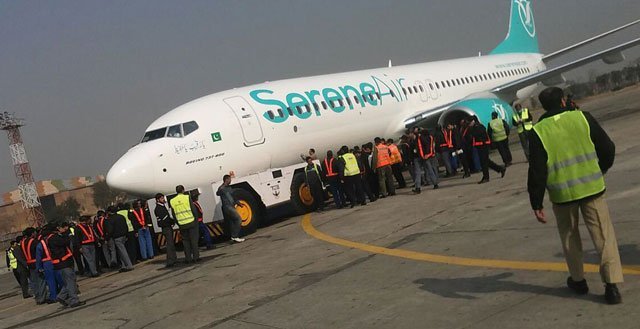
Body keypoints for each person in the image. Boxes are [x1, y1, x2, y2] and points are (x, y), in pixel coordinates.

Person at [528, 87, 623, 305]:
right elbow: (607, 147)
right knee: (603, 236)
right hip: (591, 188)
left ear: (543, 106)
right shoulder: (583, 118)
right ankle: (611, 286)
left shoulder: (539, 131)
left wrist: (536, 202)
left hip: (562, 194)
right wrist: (601, 168)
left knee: (570, 236)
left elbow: (537, 170)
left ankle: (579, 281)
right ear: (563, 101)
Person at [48, 222, 85, 308]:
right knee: (70, 282)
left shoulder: (54, 237)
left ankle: (61, 296)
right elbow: (65, 242)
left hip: (64, 262)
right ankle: (74, 300)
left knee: (69, 281)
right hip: (63, 263)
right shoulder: (54, 238)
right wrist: (66, 234)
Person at [467, 116, 506, 184]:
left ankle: (486, 177)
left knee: (483, 162)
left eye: (469, 122)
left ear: (473, 121)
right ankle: (500, 169)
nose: (469, 124)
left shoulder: (478, 127)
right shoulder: (475, 127)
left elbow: (476, 135)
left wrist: (471, 131)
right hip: (479, 146)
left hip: (483, 146)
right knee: (487, 161)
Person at [170, 185, 201, 263]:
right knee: (194, 240)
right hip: (191, 222)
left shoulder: (172, 201)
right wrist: (196, 219)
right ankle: (196, 257)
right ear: (183, 190)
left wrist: (178, 223)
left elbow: (173, 214)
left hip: (182, 224)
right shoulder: (187, 197)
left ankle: (188, 258)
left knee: (185, 242)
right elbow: (193, 209)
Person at [36, 224, 62, 304]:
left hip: (46, 264)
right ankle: (64, 294)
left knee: (51, 281)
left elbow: (38, 257)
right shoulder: (53, 239)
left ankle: (53, 297)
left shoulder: (40, 244)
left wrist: (39, 268)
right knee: (60, 279)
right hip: (55, 261)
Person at [22, 227, 47, 304]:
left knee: (34, 282)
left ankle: (37, 298)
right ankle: (42, 298)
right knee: (41, 281)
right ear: (32, 233)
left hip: (29, 264)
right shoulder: (34, 242)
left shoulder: (22, 243)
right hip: (36, 263)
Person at [216, 177, 246, 243]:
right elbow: (217, 193)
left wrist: (238, 203)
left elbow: (233, 196)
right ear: (226, 180)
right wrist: (221, 188)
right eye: (229, 179)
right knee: (238, 219)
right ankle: (235, 236)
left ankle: (233, 237)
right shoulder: (222, 188)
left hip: (232, 206)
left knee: (232, 222)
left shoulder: (229, 187)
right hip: (227, 207)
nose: (230, 181)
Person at [105, 206, 134, 272]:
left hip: (117, 236)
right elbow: (126, 225)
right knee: (121, 251)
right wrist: (126, 234)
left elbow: (110, 230)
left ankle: (129, 265)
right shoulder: (121, 216)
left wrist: (107, 238)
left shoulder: (110, 219)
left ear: (109, 212)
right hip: (124, 235)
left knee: (122, 251)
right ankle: (124, 265)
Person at [154, 193, 177, 267]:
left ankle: (173, 258)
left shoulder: (162, 206)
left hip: (168, 227)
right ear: (158, 200)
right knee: (170, 244)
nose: (163, 199)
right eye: (161, 198)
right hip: (166, 228)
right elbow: (165, 218)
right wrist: (171, 221)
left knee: (171, 244)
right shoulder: (158, 208)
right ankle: (170, 261)